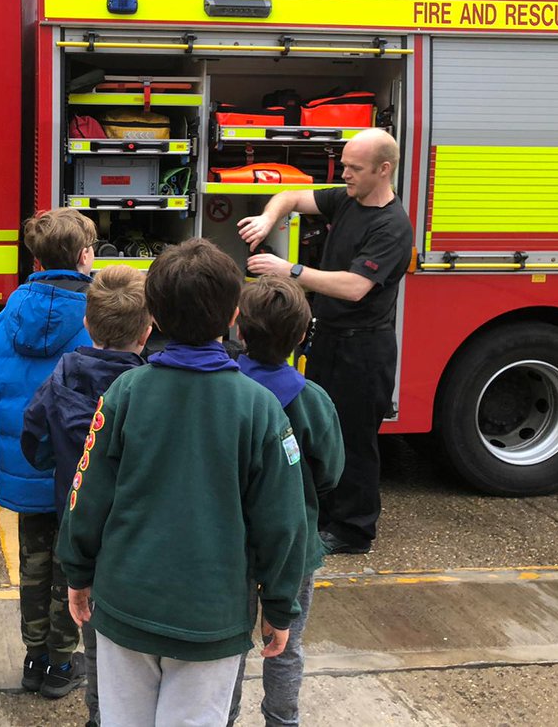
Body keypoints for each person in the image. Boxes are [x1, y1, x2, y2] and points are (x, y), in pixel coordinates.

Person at [58, 238, 308, 727]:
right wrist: (280, 605)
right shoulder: (260, 408)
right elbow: (283, 520)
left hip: (126, 606)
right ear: (233, 314)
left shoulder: (123, 393)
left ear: (154, 315)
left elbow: (86, 494)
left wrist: (78, 572)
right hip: (210, 618)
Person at [239, 127, 413, 555]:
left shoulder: (392, 226)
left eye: (354, 168)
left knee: (354, 439)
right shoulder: (348, 198)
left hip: (364, 349)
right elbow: (294, 197)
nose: (344, 174)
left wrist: (290, 271)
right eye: (345, 166)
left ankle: (354, 531)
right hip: (331, 339)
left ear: (383, 170)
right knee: (320, 430)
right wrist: (268, 216)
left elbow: (355, 286)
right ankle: (325, 515)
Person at [22, 264, 151, 723]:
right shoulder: (147, 386)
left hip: (72, 510)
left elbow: (33, 439)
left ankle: (97, 708)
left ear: (87, 323)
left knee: (80, 603)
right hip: (129, 530)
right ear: (147, 329)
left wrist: (60, 464)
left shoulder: (62, 377)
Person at [0, 207, 96, 696]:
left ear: (35, 256)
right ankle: (62, 665)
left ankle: (33, 658)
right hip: (76, 474)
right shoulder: (95, 315)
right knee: (71, 567)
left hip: (25, 466)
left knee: (32, 566)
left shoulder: (6, 317)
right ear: (86, 255)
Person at [227, 276, 345, 727]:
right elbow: (331, 472)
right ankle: (282, 718)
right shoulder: (312, 400)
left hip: (233, 541)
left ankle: (224, 714)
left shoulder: (227, 391)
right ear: (300, 336)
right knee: (286, 642)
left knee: (230, 641)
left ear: (239, 329)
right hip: (294, 544)